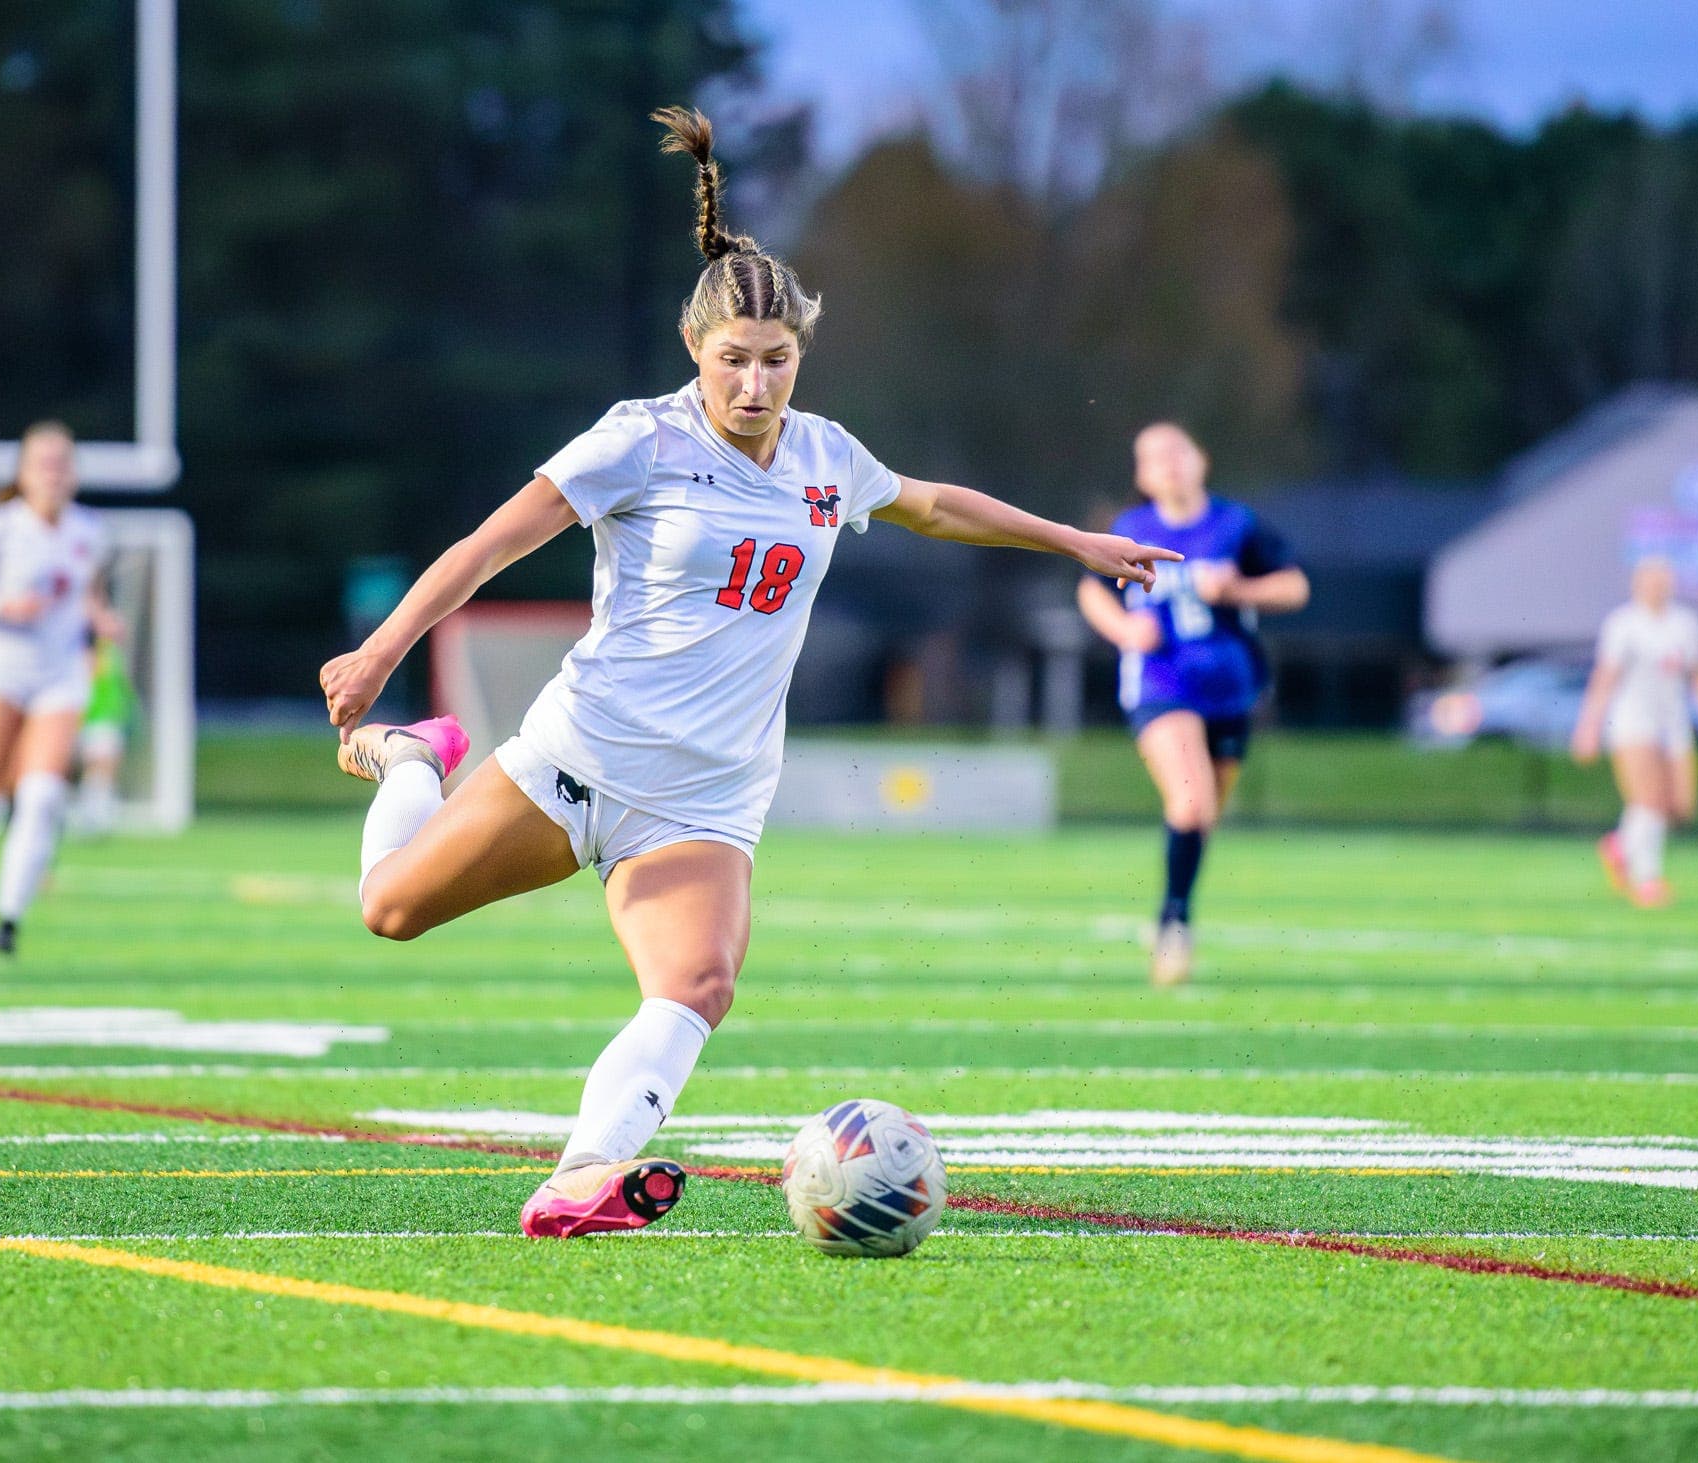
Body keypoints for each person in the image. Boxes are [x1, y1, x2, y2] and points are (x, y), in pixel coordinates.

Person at [316, 107, 1178, 1239]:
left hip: (704, 798)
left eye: (776, 362)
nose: (755, 385)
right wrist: (382, 653)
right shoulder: (637, 439)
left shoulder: (826, 456)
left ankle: (580, 1174)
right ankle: (407, 762)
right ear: (695, 352)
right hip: (580, 758)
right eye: (734, 361)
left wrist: (1076, 541)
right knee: (387, 910)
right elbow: (488, 545)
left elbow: (930, 505)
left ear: (800, 357)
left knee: (696, 985)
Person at [1075, 423, 1308, 987]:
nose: (1169, 464)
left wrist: (1239, 591)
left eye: (1178, 451)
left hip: (1231, 688)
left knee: (1202, 818)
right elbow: (1091, 591)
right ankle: (1174, 927)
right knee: (1192, 805)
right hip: (1162, 685)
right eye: (1154, 457)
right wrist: (1125, 631)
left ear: (1201, 459)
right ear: (1141, 475)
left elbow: (1295, 587)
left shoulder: (1236, 525)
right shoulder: (1132, 528)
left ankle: (1170, 913)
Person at [0, 421, 117, 955]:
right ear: (24, 473)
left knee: (42, 795)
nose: (54, 475)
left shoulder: (90, 532)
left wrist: (101, 624)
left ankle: (8, 921)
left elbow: (87, 598)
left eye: (63, 464)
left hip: (58, 676)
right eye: (43, 464)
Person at [1572, 557, 1698, 907]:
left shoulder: (1684, 623)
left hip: (1672, 722)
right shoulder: (1624, 624)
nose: (1659, 586)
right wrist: (1589, 726)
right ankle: (1647, 879)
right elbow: (1606, 677)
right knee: (1649, 800)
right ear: (1637, 584)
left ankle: (1621, 845)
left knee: (1680, 807)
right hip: (1634, 721)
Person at [73, 635, 136, 836]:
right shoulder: (87, 647)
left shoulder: (111, 649)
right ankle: (92, 815)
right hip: (93, 718)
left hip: (110, 717)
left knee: (104, 770)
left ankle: (97, 814)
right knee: (98, 768)